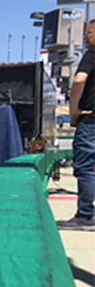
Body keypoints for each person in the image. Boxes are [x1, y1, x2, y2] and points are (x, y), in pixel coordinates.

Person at [58, 19, 95, 229]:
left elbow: (80, 80)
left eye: (89, 33)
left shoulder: (91, 55)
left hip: (90, 119)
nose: (86, 37)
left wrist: (74, 110)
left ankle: (86, 215)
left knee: (85, 167)